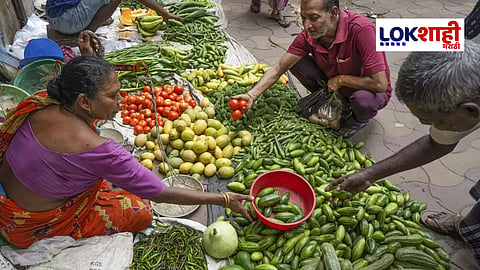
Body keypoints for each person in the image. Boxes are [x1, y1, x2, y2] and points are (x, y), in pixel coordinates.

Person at [0, 56, 252, 249]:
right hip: (30, 225)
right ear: (84, 101)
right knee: (140, 210)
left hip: (7, 195)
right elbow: (160, 192)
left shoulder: (42, 102)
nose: (122, 100)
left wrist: (91, 58)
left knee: (109, 182)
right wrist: (224, 199)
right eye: (112, 95)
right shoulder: (103, 152)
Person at [326, 40, 480, 264]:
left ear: (470, 111)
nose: (428, 126)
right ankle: (468, 227)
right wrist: (369, 174)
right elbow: (436, 143)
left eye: (431, 120)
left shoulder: (468, 107)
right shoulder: (469, 102)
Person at [237, 0, 392, 138]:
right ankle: (334, 101)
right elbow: (279, 67)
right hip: (333, 84)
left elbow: (380, 84)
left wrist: (341, 80)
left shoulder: (362, 29)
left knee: (363, 102)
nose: (306, 25)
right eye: (303, 18)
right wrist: (252, 94)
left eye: (314, 18)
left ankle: (358, 120)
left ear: (333, 13)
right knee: (296, 62)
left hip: (367, 89)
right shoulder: (310, 35)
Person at [45, 0, 182, 35]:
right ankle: (88, 32)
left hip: (54, 17)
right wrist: (164, 13)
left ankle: (92, 20)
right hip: (66, 22)